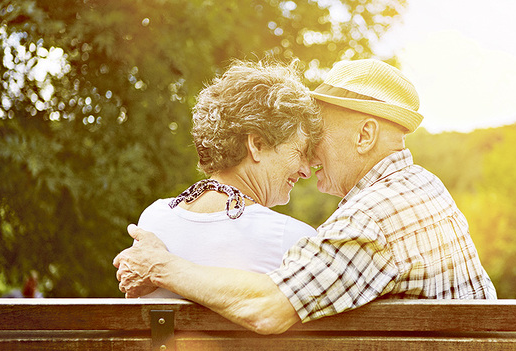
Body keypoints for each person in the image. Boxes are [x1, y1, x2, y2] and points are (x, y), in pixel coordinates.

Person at [114, 59, 496, 334]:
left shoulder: (372, 217)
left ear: (364, 135)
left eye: (318, 136)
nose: (311, 158)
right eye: (303, 145)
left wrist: (160, 266)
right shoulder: (421, 187)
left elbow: (267, 309)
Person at [131, 60, 322, 298]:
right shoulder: (293, 240)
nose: (306, 170)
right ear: (257, 144)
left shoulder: (154, 220)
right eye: (300, 152)